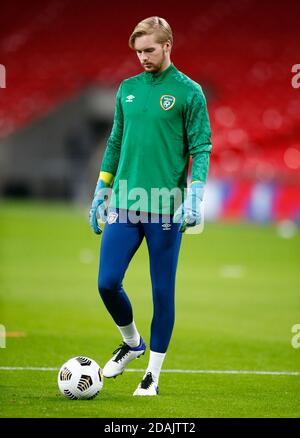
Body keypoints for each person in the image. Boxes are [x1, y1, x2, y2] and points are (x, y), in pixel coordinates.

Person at [89, 16, 212, 396]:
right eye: (138, 51)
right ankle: (132, 343)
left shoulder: (189, 92)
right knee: (107, 283)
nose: (142, 57)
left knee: (162, 293)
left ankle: (152, 376)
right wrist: (100, 189)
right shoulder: (127, 89)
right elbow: (114, 142)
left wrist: (194, 194)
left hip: (165, 207)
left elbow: (201, 148)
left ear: (167, 45)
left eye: (149, 50)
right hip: (124, 203)